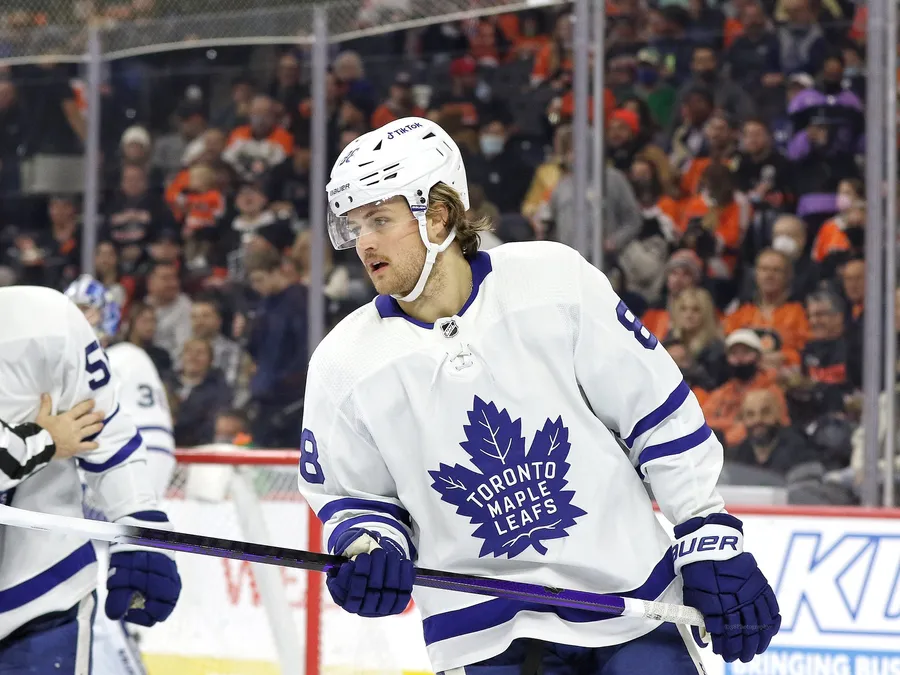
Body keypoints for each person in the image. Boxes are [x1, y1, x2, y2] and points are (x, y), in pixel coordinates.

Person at [298, 117, 780, 674]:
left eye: (380, 220)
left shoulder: (552, 281)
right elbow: (355, 498)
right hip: (484, 637)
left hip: (630, 606)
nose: (364, 243)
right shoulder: (343, 364)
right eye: (355, 225)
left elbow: (655, 412)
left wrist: (705, 528)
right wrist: (370, 549)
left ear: (439, 215)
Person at [0, 285, 181, 673]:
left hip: (43, 590)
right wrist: (45, 441)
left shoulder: (48, 322)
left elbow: (106, 434)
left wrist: (138, 520)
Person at [64, 275, 176, 675]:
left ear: (107, 315)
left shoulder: (127, 359)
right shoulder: (63, 368)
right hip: (72, 531)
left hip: (105, 530)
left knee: (103, 626)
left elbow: (157, 449)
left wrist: (130, 514)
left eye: (87, 310)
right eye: (73, 310)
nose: (79, 319)